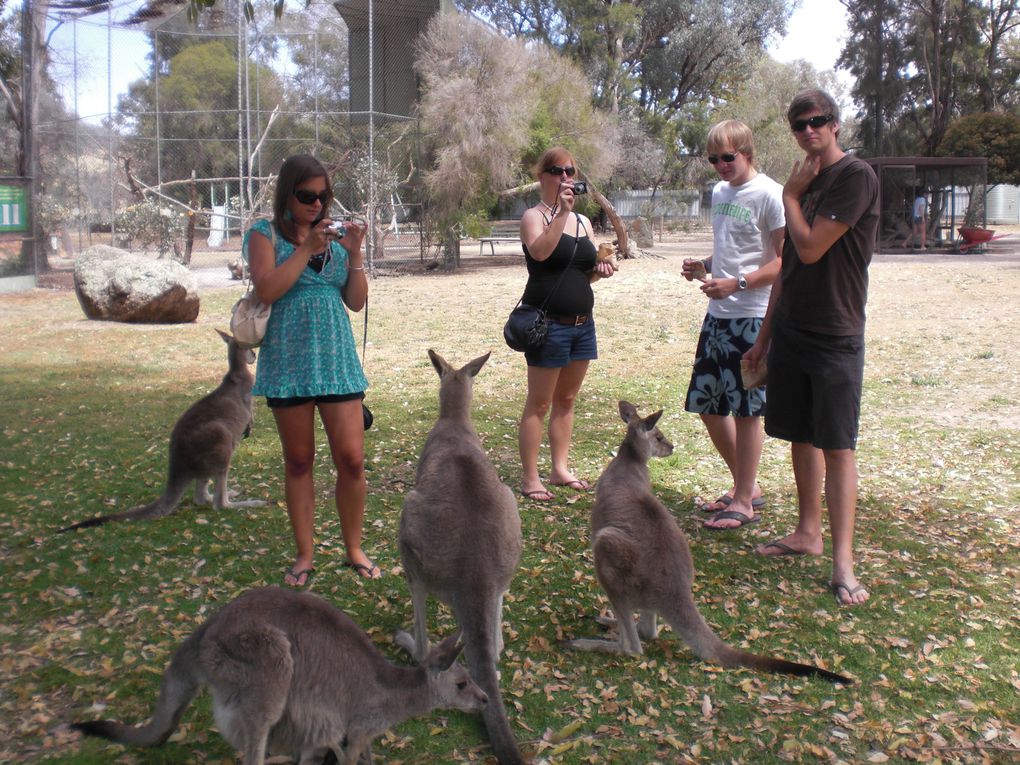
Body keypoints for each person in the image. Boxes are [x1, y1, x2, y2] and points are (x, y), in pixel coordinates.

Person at [744, 89, 878, 606]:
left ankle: (843, 563)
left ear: (835, 124)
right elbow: (789, 269)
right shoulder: (806, 180)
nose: (808, 131)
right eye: (799, 125)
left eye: (817, 121)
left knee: (837, 446)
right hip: (794, 330)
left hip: (836, 332)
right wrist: (764, 336)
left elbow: (811, 245)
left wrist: (791, 199)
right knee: (799, 434)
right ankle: (807, 532)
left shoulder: (854, 177)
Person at [244, 153, 380, 585]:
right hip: (289, 360)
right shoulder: (264, 235)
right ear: (288, 194)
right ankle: (305, 554)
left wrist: (354, 254)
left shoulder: (335, 239)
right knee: (299, 461)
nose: (317, 204)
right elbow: (268, 288)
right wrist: (305, 248)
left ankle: (353, 548)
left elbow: (356, 300)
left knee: (352, 460)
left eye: (324, 197)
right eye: (307, 196)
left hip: (337, 359)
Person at [681, 120, 785, 530]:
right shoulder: (720, 192)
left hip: (753, 315)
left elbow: (783, 262)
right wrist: (704, 267)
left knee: (746, 412)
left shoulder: (771, 194)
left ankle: (742, 500)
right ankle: (749, 485)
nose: (721, 166)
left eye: (728, 157)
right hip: (718, 315)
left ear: (747, 152)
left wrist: (737, 283)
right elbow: (733, 249)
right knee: (707, 404)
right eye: (713, 159)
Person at [517, 147, 617, 502]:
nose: (564, 177)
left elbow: (580, 274)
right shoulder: (534, 216)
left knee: (568, 399)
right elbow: (541, 253)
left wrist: (600, 271)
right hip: (548, 325)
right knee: (539, 403)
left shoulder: (584, 222)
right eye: (557, 170)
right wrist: (560, 213)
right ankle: (531, 477)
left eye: (570, 171)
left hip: (581, 324)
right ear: (542, 175)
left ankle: (559, 469)